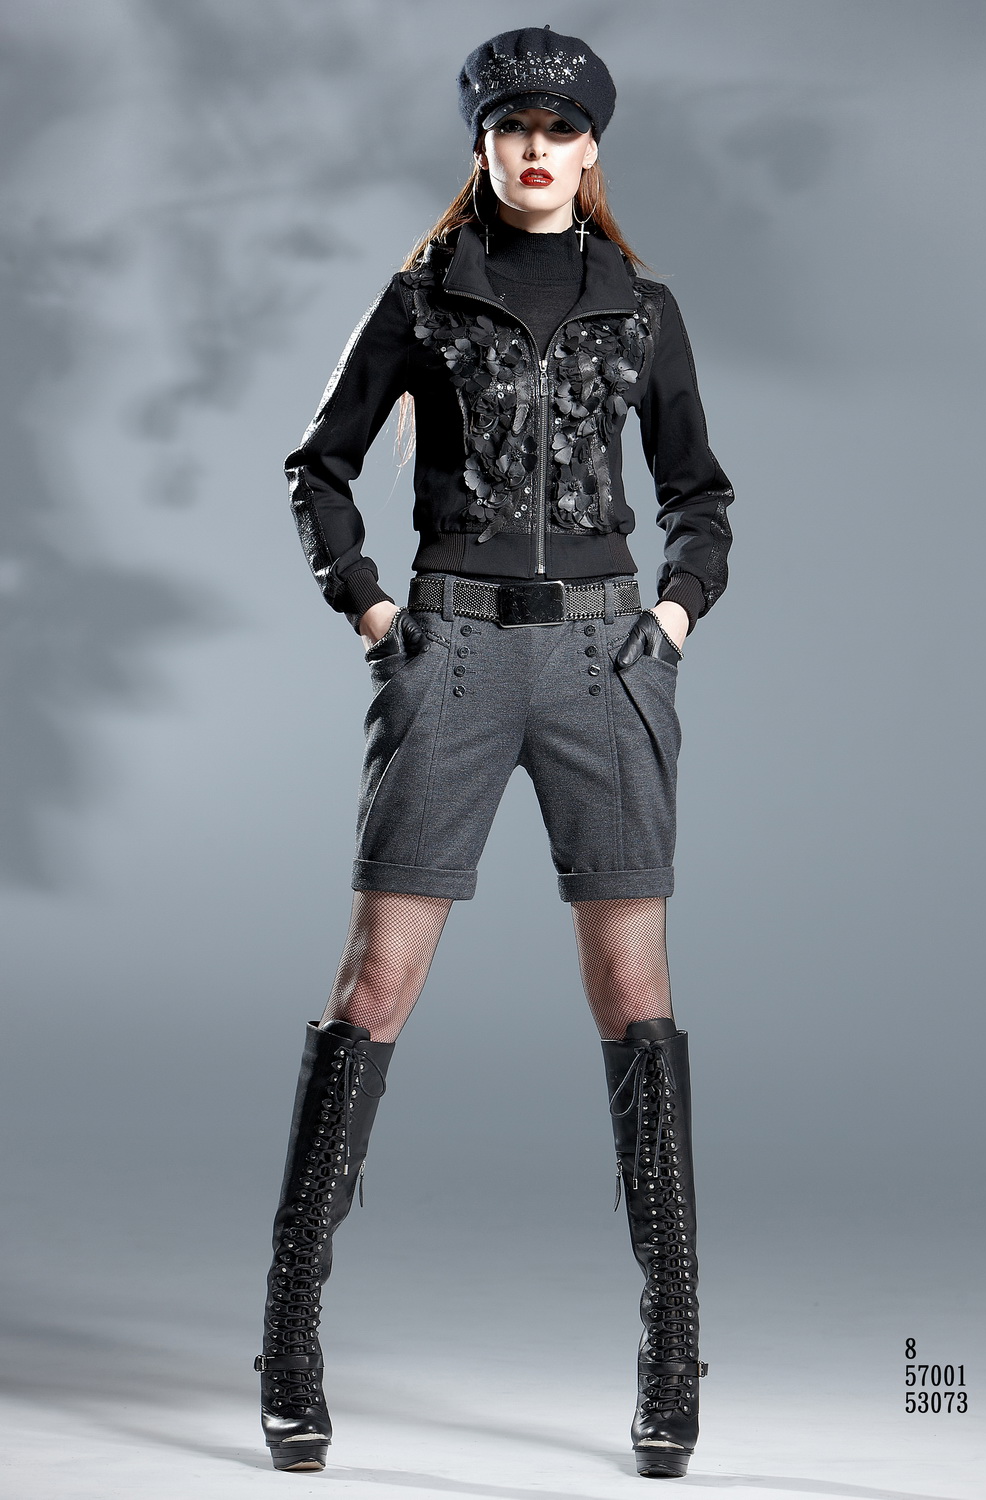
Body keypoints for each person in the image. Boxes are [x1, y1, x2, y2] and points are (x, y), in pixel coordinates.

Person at [255, 25, 733, 1482]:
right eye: (513, 126)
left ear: (592, 150)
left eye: (560, 129)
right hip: (452, 651)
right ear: (481, 143)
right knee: (374, 982)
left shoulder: (642, 308)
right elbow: (318, 468)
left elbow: (701, 497)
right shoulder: (424, 297)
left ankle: (671, 1350)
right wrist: (371, 609)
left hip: (604, 663)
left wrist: (670, 616)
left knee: (635, 992)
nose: (536, 149)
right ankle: (289, 1334)